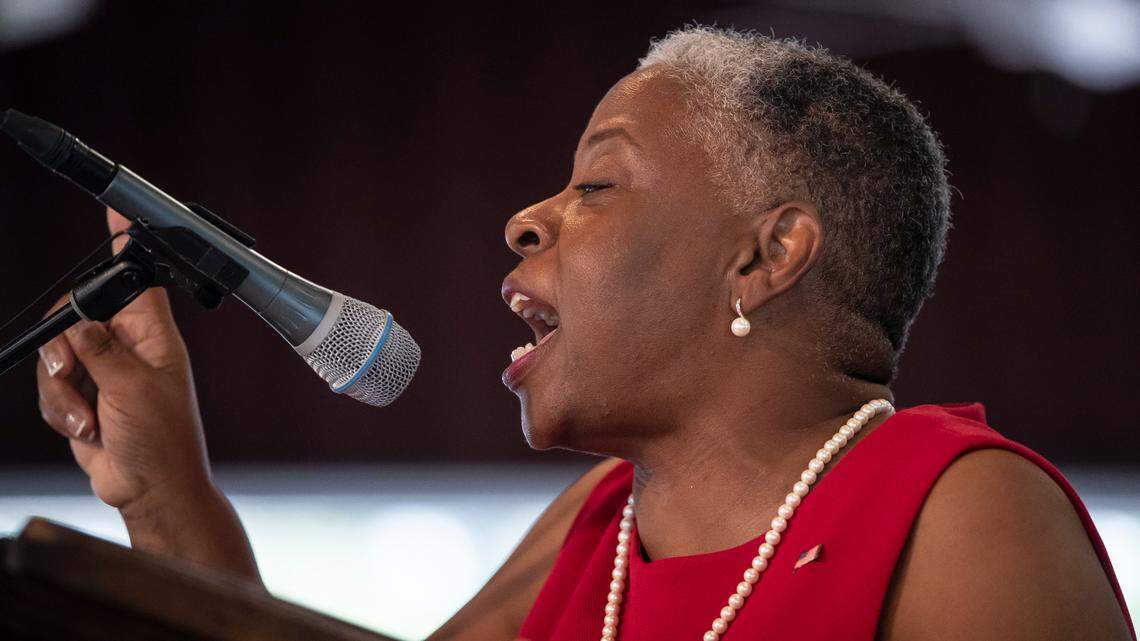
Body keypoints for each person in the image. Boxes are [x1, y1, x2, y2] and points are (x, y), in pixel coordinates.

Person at [33, 26, 1134, 641]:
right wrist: (163, 488)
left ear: (766, 253)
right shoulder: (596, 534)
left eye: (598, 180)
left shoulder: (960, 510)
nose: (524, 219)